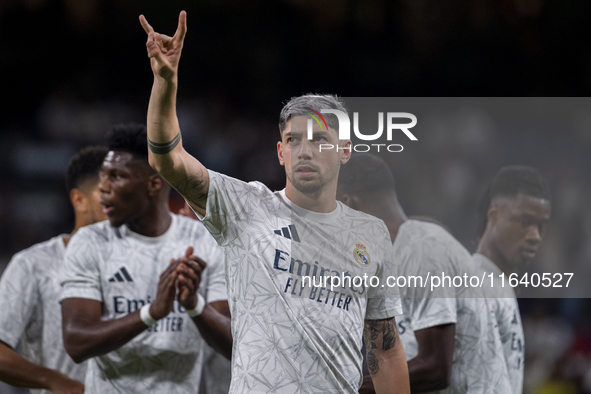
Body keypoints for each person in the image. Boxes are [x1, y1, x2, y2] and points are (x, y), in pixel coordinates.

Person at [139, 11, 410, 394]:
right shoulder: (244, 207)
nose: (305, 151)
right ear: (281, 152)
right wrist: (165, 82)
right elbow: (167, 160)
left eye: (319, 140)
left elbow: (385, 348)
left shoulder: (370, 233)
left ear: (345, 150)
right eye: (295, 141)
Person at [59, 124, 231, 393]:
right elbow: (76, 343)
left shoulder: (203, 241)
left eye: (116, 176)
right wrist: (151, 313)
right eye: (103, 174)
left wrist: (193, 303)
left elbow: (234, 346)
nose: (102, 187)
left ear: (153, 183)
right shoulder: (89, 242)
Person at [337, 154, 511, 394]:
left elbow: (435, 370)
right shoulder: (395, 257)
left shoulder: (422, 249)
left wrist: (345, 389)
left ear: (349, 204)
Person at [0, 146, 108, 394]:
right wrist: (54, 381)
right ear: (79, 199)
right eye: (105, 192)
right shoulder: (33, 264)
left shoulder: (142, 262)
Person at [474, 165, 551, 394]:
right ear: (494, 216)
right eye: (525, 222)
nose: (535, 236)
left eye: (541, 226)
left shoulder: (503, 288)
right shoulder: (471, 285)